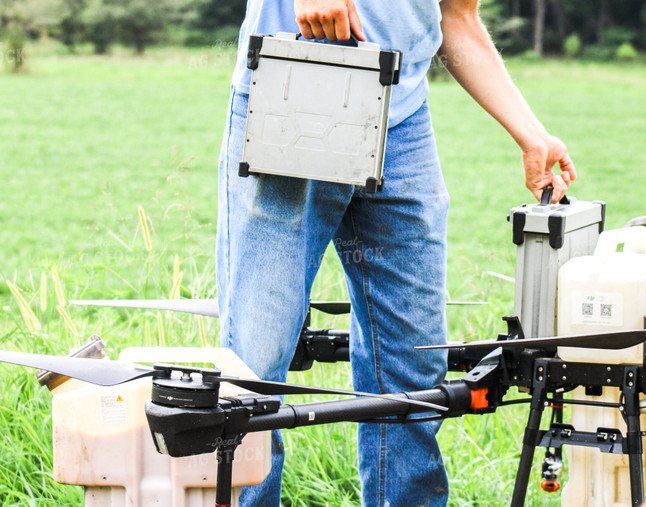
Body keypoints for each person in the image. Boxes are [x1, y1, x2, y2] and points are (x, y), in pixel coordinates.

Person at [216, 1, 577, 505]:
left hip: (400, 116)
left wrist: (532, 134)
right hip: (293, 89)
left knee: (412, 365)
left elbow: (459, 16)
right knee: (254, 367)